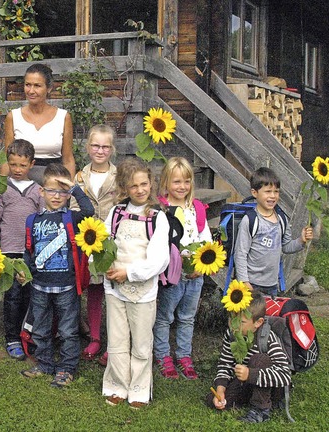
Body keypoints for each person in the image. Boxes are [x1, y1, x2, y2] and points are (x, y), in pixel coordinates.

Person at [102, 158, 170, 409]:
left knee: (141, 341)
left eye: (144, 184)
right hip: (114, 288)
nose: (140, 190)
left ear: (151, 183)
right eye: (133, 186)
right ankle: (117, 385)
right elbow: (102, 242)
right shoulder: (116, 212)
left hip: (142, 289)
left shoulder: (157, 218)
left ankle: (139, 389)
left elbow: (159, 260)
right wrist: (103, 263)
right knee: (117, 339)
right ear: (124, 188)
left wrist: (129, 273)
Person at [20, 163, 94, 388]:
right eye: (51, 190)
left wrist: (73, 188)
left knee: (68, 330)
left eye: (62, 191)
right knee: (41, 329)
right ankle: (44, 364)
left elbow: (89, 211)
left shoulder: (72, 218)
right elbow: (28, 249)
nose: (57, 195)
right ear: (41, 191)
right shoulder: (33, 220)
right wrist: (24, 272)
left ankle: (66, 368)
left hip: (67, 286)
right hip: (40, 286)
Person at [153, 157, 212, 380]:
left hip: (194, 273)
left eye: (186, 182)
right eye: (176, 182)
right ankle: (162, 355)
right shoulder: (162, 209)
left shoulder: (196, 208)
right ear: (166, 183)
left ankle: (184, 356)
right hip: (172, 274)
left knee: (187, 316)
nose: (182, 187)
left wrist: (201, 265)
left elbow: (205, 237)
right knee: (165, 315)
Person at [0, 139, 44, 360]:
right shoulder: (2, 188)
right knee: (12, 296)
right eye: (13, 165)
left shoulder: (37, 190)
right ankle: (11, 338)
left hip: (30, 251)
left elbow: (42, 219)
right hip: (9, 251)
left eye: (22, 165)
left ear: (31, 164)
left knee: (30, 296)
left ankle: (26, 334)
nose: (17, 170)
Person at [72, 125, 118, 363]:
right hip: (87, 241)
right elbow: (72, 206)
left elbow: (121, 208)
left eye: (105, 146)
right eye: (96, 146)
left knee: (113, 293)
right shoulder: (80, 178)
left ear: (112, 149)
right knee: (93, 291)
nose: (100, 151)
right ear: (88, 148)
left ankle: (114, 341)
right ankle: (94, 337)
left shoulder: (118, 177)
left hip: (111, 243)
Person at [208, 292, 291, 423]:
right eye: (231, 319)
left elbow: (285, 376)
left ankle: (261, 409)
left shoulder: (268, 338)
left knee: (258, 360)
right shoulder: (231, 334)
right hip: (248, 380)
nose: (233, 326)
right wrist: (220, 389)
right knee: (214, 400)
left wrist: (250, 374)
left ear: (258, 322)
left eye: (241, 322)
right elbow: (225, 364)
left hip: (271, 386)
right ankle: (249, 398)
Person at [234, 167, 313, 296]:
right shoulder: (250, 220)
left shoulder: (282, 219)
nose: (273, 196)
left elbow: (286, 247)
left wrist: (301, 240)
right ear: (254, 193)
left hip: (272, 284)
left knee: (269, 316)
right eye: (268, 191)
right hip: (251, 284)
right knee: (251, 316)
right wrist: (244, 281)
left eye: (276, 191)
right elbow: (240, 254)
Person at [3, 63, 75, 183]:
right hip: (20, 182)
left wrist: (70, 189)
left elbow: (68, 160)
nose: (31, 91)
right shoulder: (13, 117)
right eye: (28, 85)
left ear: (49, 88)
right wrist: (1, 189)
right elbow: (6, 159)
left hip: (53, 184)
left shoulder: (63, 117)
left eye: (37, 86)